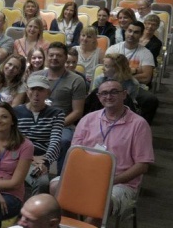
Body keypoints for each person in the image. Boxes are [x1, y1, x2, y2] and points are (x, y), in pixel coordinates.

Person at [71, 79, 154, 215]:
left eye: (114, 92)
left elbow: (142, 165)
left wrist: (110, 180)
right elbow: (75, 153)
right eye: (104, 93)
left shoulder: (139, 124)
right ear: (98, 97)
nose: (108, 96)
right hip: (87, 175)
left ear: (124, 94)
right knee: (57, 186)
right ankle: (73, 227)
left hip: (120, 182)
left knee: (101, 200)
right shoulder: (88, 119)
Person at [29, 42, 87, 160]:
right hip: (35, 121)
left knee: (64, 141)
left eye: (59, 55)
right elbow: (27, 103)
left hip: (63, 124)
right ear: (47, 57)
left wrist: (55, 126)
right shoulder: (35, 76)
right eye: (51, 55)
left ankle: (61, 172)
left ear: (65, 58)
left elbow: (77, 112)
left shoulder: (77, 80)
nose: (54, 58)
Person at [14, 75, 65, 194]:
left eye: (40, 90)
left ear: (47, 92)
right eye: (32, 89)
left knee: (42, 182)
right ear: (27, 91)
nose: (36, 94)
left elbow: (55, 141)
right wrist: (31, 158)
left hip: (42, 158)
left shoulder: (57, 113)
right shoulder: (15, 112)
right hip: (18, 156)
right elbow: (13, 140)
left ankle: (34, 206)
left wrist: (45, 162)